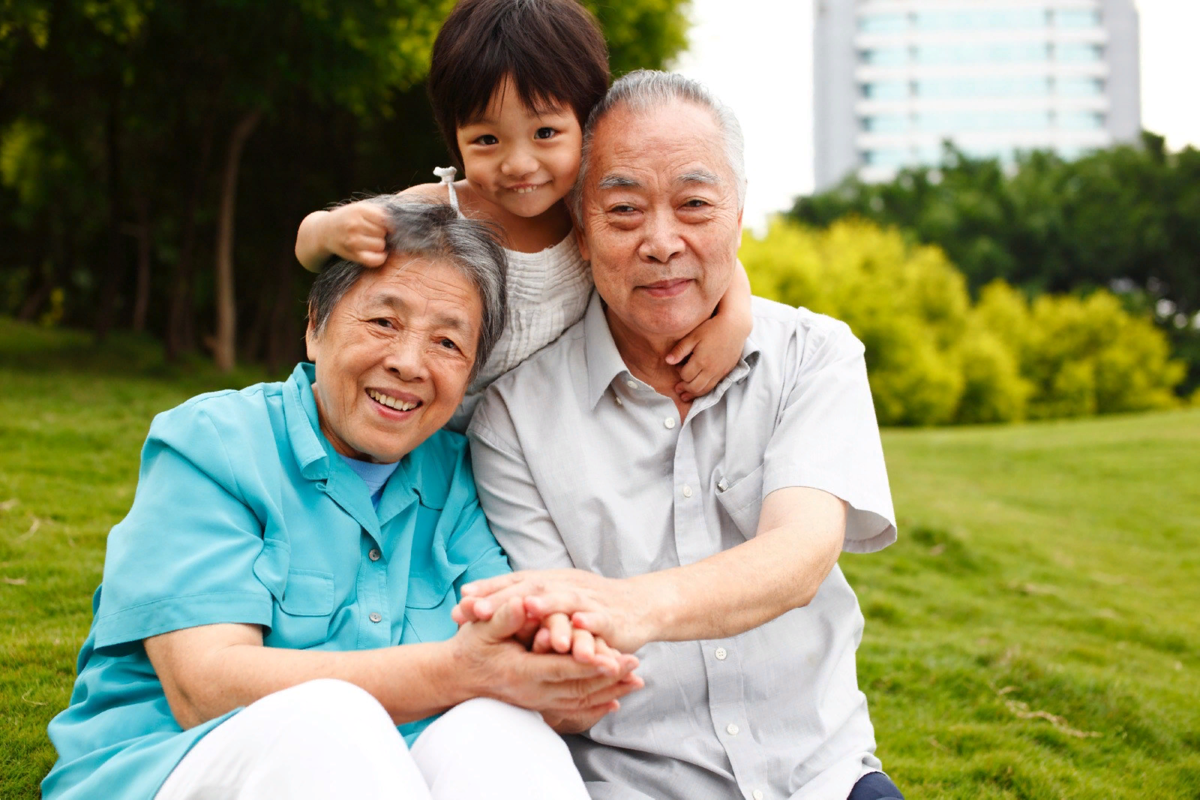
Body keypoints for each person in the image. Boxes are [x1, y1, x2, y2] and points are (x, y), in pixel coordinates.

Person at [42, 200, 642, 800]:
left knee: (502, 728)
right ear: (313, 327)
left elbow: (506, 662)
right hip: (176, 765)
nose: (408, 363)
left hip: (387, 772)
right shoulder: (213, 443)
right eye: (384, 323)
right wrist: (459, 670)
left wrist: (558, 666)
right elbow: (204, 687)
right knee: (332, 717)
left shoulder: (458, 476)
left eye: (447, 343)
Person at [457, 72, 907, 800]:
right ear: (580, 222)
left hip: (821, 778)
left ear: (738, 208)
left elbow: (797, 558)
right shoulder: (513, 418)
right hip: (628, 784)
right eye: (625, 209)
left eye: (695, 204)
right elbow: (557, 640)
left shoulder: (815, 356)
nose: (662, 243)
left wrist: (628, 608)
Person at [294, 0, 754, 430]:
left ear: (588, 123)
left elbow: (710, 258)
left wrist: (734, 323)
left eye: (545, 132)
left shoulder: (598, 217)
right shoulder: (438, 211)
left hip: (534, 434)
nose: (518, 163)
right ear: (455, 138)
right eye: (487, 140)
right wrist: (331, 230)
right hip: (425, 424)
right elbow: (307, 246)